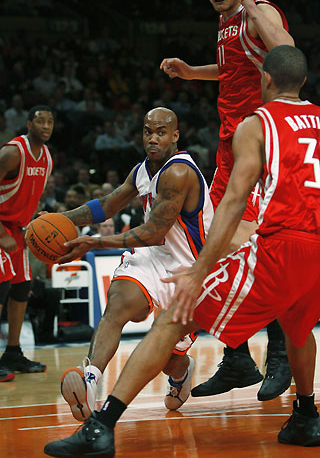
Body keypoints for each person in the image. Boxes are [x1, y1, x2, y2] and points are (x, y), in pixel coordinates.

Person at [45, 46, 320, 457]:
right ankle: (305, 415)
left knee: (172, 321)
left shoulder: (256, 125)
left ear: (264, 79)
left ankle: (101, 428)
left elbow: (232, 201)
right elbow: (115, 202)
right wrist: (67, 219)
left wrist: (201, 268)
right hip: (315, 251)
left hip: (276, 245)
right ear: (301, 81)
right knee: (299, 329)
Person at [160, 0, 294, 402]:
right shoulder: (226, 22)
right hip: (226, 146)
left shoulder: (260, 10)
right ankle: (237, 359)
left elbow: (286, 52)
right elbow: (234, 69)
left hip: (256, 146)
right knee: (215, 246)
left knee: (257, 246)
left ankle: (280, 356)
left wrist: (254, 3)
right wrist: (192, 72)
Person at [46, 107, 213, 422]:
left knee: (166, 359)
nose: (152, 138)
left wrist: (93, 242)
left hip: (189, 271)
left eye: (161, 132)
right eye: (148, 131)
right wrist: (59, 220)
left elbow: (153, 232)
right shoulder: (142, 170)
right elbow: (107, 205)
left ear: (175, 136)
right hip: (153, 258)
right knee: (119, 304)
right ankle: (90, 381)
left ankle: (181, 372)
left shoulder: (179, 172)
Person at [0, 105, 54, 382]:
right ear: (28, 124)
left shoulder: (46, 158)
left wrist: (38, 218)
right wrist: (2, 233)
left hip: (18, 229)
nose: (46, 125)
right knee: (2, 287)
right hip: (1, 226)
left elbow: (26, 197)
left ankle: (12, 352)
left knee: (22, 288)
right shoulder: (11, 152)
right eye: (40, 120)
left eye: (50, 122)